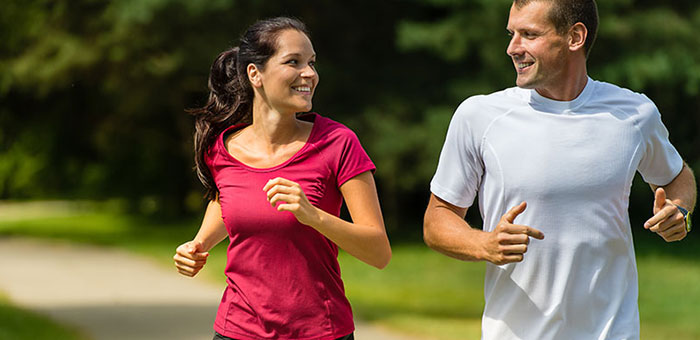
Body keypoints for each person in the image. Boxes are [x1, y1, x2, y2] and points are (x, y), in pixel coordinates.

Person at [423, 0, 696, 339]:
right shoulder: (479, 116)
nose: (512, 48)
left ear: (575, 37)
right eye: (512, 34)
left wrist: (680, 211)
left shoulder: (635, 113)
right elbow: (437, 219)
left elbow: (676, 176)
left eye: (529, 34)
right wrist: (484, 244)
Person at [173, 17, 391, 340]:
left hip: (320, 332)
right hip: (238, 330)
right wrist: (199, 244)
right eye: (294, 62)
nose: (310, 74)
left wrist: (312, 215)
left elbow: (379, 252)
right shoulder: (223, 150)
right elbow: (229, 201)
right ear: (254, 74)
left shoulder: (338, 143)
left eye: (312, 63)